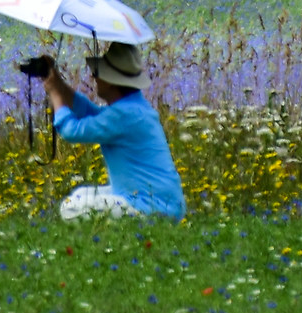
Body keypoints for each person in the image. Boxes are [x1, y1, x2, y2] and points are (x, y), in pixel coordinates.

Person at [19, 41, 185, 220]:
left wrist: (55, 94)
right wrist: (58, 83)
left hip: (150, 207)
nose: (94, 77)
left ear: (111, 81)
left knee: (71, 209)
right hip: (162, 202)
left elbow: (72, 131)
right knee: (81, 195)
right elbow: (91, 113)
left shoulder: (124, 115)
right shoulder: (135, 108)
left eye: (98, 73)